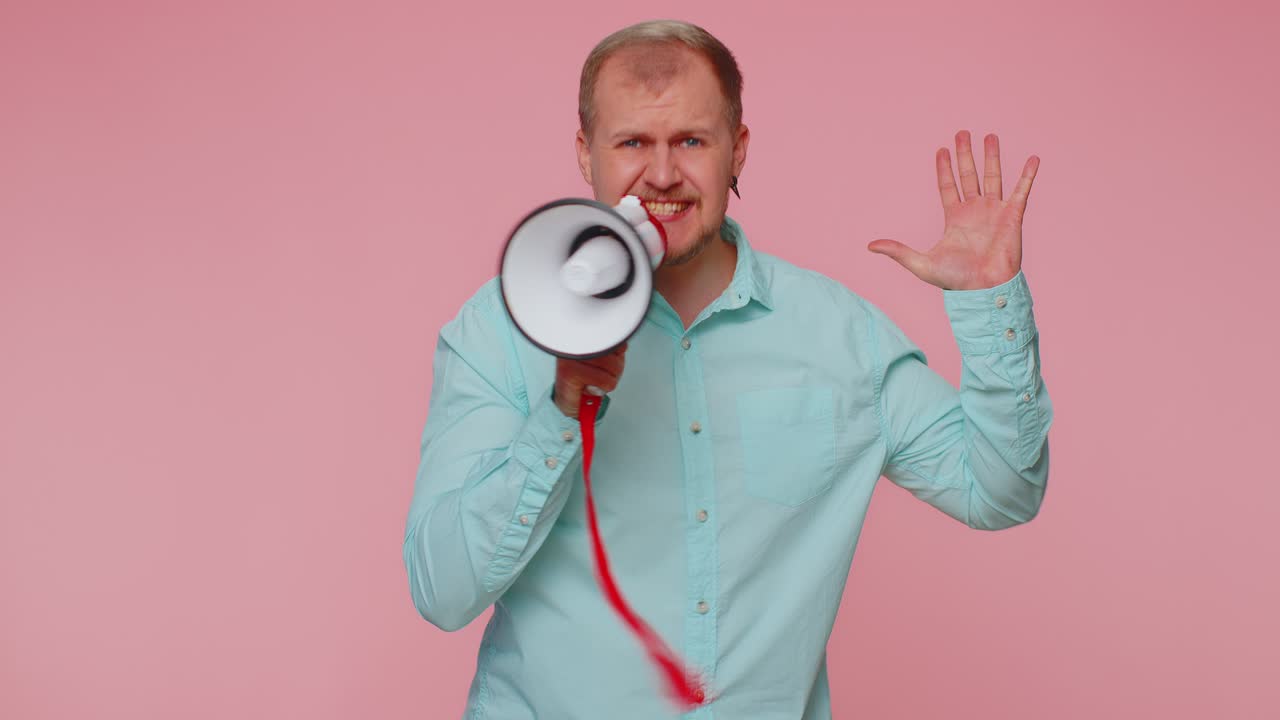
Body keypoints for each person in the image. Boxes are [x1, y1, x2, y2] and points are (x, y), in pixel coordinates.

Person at [403, 19, 1052, 720]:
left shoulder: (839, 336)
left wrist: (990, 303)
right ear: (585, 155)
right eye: (632, 143)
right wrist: (562, 411)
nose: (661, 173)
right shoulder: (501, 328)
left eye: (691, 140)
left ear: (737, 151)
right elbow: (442, 591)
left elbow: (1001, 492)